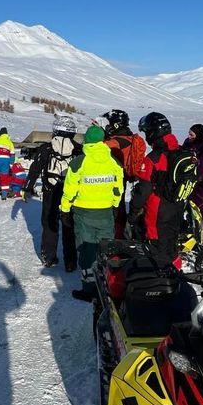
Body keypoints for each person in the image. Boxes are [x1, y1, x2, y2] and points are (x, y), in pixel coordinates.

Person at [61, 125, 123, 301]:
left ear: (87, 141)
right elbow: (118, 188)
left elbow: (69, 191)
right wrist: (115, 206)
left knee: (87, 250)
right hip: (106, 213)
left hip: (83, 213)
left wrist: (65, 210)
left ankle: (89, 289)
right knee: (105, 248)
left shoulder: (78, 162)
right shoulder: (114, 162)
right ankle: (108, 286)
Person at [22, 116, 82, 270]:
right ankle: (70, 262)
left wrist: (27, 188)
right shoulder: (78, 149)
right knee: (69, 225)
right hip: (71, 193)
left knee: (49, 224)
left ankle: (49, 258)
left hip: (50, 191)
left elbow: (35, 169)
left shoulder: (46, 148)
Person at [127, 112, 186, 269]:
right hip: (177, 207)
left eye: (147, 132)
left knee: (157, 247)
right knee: (172, 244)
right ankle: (176, 274)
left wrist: (133, 212)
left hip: (158, 210)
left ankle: (162, 283)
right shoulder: (181, 152)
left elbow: (143, 190)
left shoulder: (153, 158)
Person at [101, 110, 147, 239]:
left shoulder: (116, 142)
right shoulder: (128, 137)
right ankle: (119, 235)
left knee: (115, 209)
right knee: (119, 207)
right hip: (122, 177)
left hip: (114, 180)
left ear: (116, 125)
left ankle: (117, 237)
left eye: (108, 123)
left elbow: (98, 150)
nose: (107, 126)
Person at [181, 124, 203, 246]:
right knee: (187, 212)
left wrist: (196, 174)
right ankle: (189, 238)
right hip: (185, 183)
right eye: (189, 134)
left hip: (200, 186)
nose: (189, 137)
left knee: (200, 215)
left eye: (192, 135)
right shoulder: (187, 143)